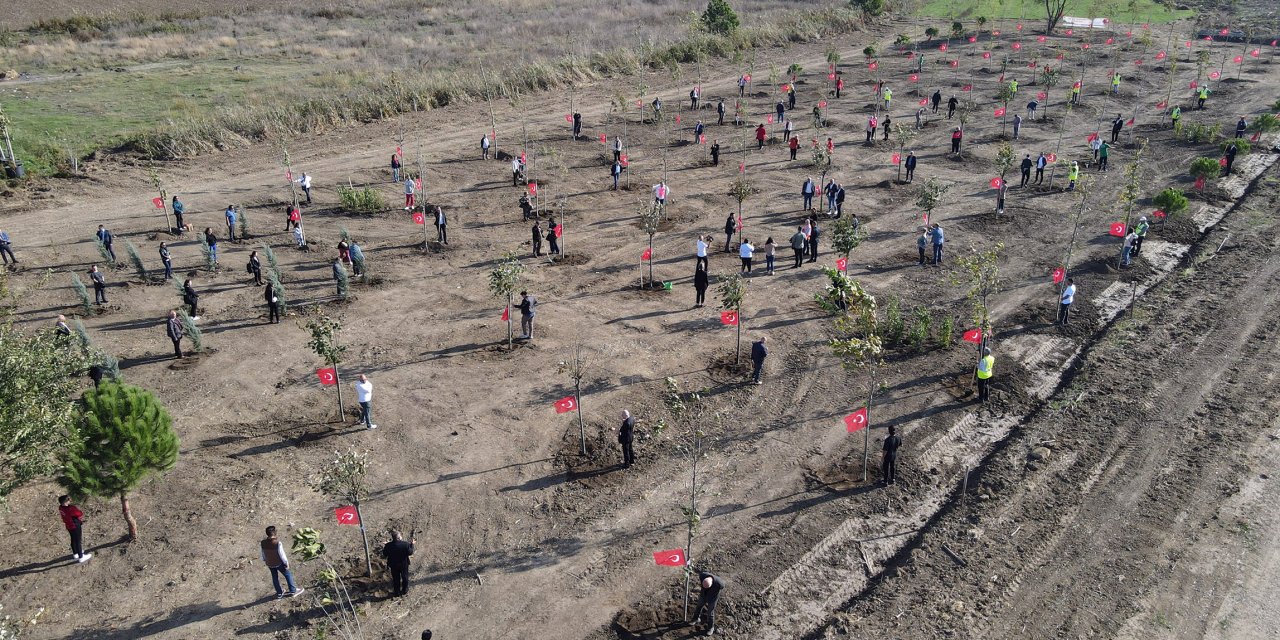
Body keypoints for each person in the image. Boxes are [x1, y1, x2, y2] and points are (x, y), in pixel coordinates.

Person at [260, 526, 304, 598]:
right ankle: (293, 591)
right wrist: (286, 563)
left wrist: (265, 559)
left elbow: (262, 553)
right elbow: (282, 554)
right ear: (274, 533)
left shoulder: (263, 543)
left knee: (274, 577)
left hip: (269, 563)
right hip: (279, 563)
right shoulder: (278, 543)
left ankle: (279, 593)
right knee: (288, 575)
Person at [58, 495, 92, 563]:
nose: (70, 501)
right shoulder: (70, 508)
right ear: (65, 501)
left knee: (73, 539)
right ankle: (81, 557)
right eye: (69, 500)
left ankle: (75, 553)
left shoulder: (61, 508)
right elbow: (79, 514)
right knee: (78, 541)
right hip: (75, 525)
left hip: (68, 526)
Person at [382, 530, 415, 597]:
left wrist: (387, 545)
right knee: (405, 577)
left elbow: (385, 554)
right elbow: (410, 552)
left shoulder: (388, 545)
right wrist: (412, 544)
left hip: (393, 565)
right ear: (398, 537)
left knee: (395, 579)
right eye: (400, 536)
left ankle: (397, 592)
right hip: (403, 564)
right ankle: (405, 590)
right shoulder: (405, 544)